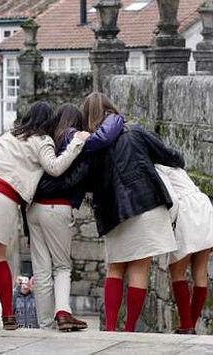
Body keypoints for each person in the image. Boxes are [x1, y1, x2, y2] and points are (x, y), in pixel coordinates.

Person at [0, 101, 90, 331]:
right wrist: (76, 143)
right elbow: (55, 168)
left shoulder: (8, 136)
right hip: (3, 195)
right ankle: (8, 316)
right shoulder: (42, 140)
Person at [52, 92, 184, 332]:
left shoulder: (89, 145)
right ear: (111, 109)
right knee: (140, 268)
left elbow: (84, 181)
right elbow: (166, 154)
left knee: (115, 268)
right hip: (147, 203)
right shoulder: (134, 130)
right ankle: (130, 329)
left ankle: (111, 327)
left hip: (113, 211)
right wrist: (179, 159)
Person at [27, 103, 124, 331]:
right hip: (57, 208)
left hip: (33, 209)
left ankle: (45, 323)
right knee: (62, 267)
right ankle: (63, 313)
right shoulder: (78, 143)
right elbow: (74, 179)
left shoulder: (47, 142)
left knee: (41, 269)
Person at [155, 165, 213, 334]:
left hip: (186, 210)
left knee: (177, 270)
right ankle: (190, 325)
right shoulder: (174, 164)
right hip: (204, 206)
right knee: (200, 270)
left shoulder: (157, 167)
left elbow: (170, 197)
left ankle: (186, 325)